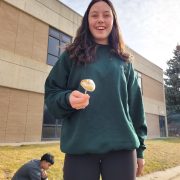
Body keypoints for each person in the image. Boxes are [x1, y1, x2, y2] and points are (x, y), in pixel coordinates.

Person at [45, 0, 147, 179]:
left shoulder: (125, 62)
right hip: (80, 149)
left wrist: (140, 151)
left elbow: (136, 108)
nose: (101, 19)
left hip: (122, 150)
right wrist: (67, 99)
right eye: (95, 15)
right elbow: (52, 94)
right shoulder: (71, 56)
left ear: (114, 21)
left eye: (106, 15)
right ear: (87, 21)